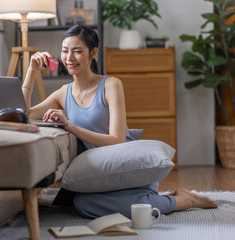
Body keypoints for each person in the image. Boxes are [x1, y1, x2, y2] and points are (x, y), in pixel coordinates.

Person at [21, 24, 217, 219]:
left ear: (93, 53)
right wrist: (31, 72)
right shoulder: (63, 93)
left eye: (77, 51)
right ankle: (166, 198)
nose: (69, 58)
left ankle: (182, 201)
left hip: (125, 168)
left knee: (117, 204)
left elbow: (117, 140)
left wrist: (69, 126)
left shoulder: (111, 85)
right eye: (65, 51)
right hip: (96, 174)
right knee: (84, 204)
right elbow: (24, 113)